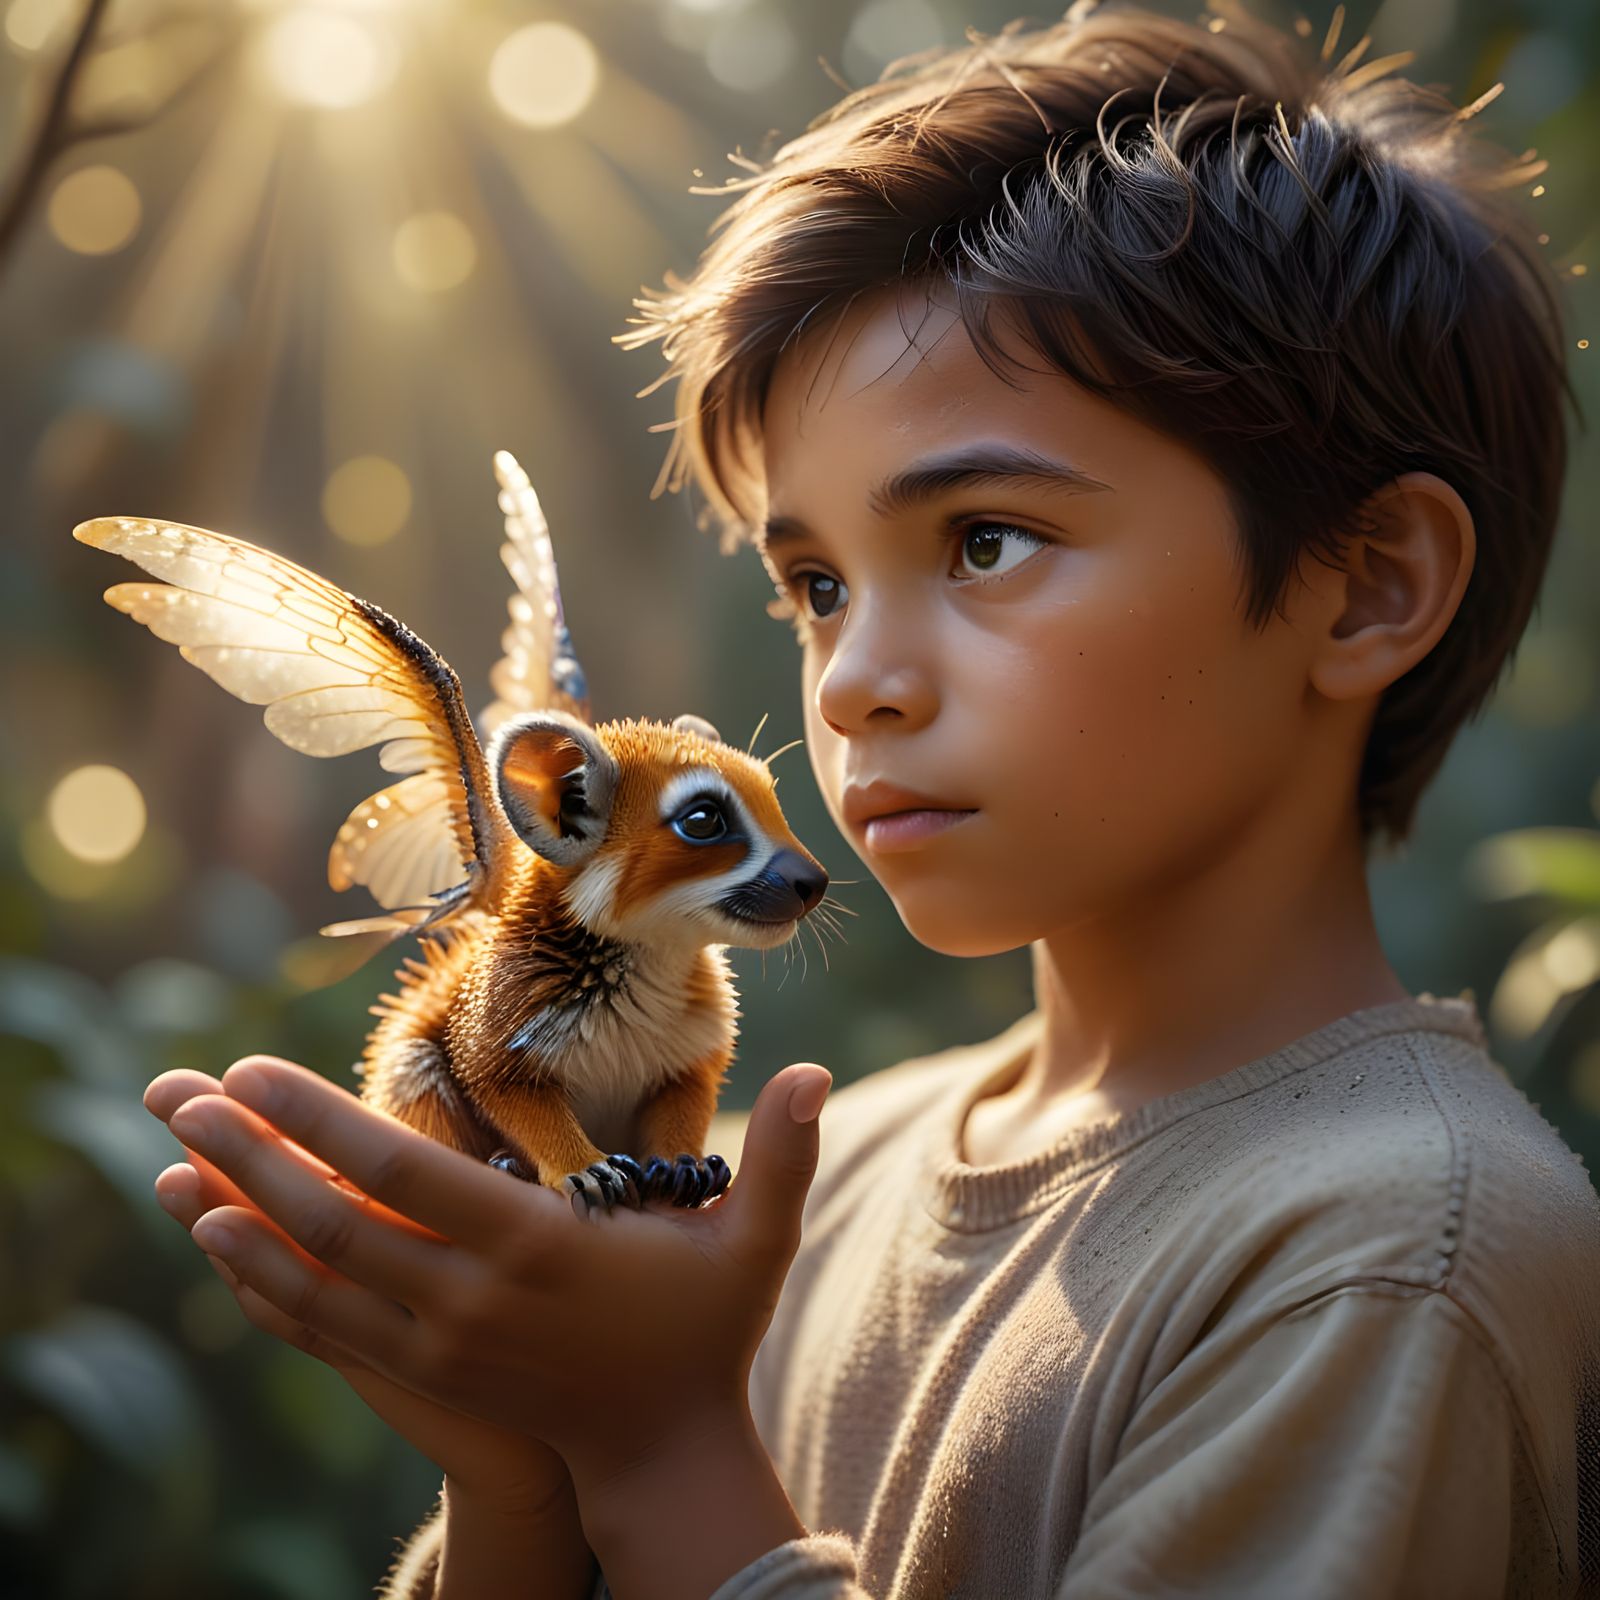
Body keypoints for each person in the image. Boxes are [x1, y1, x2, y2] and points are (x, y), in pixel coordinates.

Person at [144, 4, 1600, 1597]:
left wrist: (655, 1445)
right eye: (817, 584)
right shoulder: (801, 1177)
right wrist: (525, 1480)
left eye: (985, 540)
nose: (848, 685)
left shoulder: (1392, 1255)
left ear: (1366, 585)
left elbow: (671, 1466)